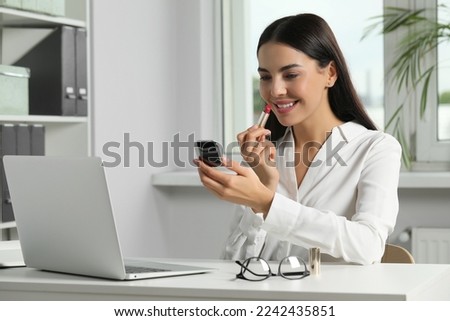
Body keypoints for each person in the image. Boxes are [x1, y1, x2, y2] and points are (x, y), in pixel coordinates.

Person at [195, 13, 401, 265]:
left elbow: (368, 246)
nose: (275, 90)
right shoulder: (265, 158)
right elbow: (233, 264)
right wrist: (266, 184)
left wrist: (267, 202)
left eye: (290, 75)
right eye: (265, 77)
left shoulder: (375, 148)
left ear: (330, 74)